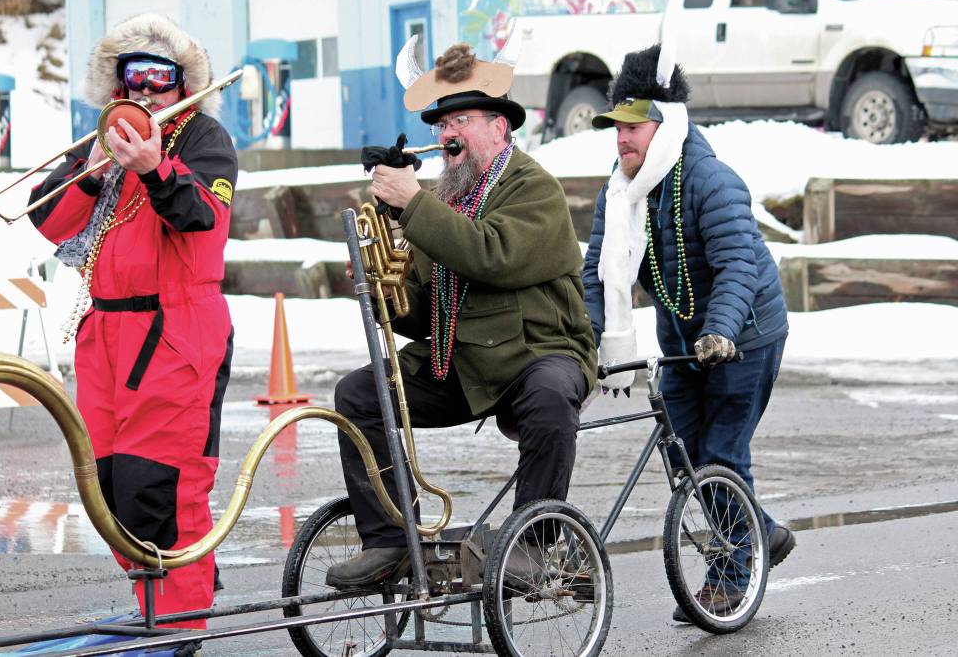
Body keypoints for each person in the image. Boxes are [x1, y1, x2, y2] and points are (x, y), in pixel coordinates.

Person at [325, 43, 597, 589]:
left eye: (462, 120)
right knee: (359, 395)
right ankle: (388, 539)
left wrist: (414, 204)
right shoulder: (446, 201)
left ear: (499, 128)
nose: (448, 132)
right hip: (463, 358)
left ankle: (535, 546)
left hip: (538, 352)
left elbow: (489, 254)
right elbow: (423, 311)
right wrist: (380, 276)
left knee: (548, 396)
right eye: (443, 121)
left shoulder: (533, 187)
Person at [29, 14, 237, 630]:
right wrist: (91, 170)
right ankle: (171, 594)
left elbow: (202, 219)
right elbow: (47, 221)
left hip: (177, 329)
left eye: (160, 77)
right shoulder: (107, 138)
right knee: (110, 492)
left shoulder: (205, 137)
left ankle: (179, 621)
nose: (145, 90)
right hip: (106, 332)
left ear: (182, 83)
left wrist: (152, 167)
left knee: (162, 487)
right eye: (132, 76)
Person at [582, 44, 795, 620]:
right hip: (680, 340)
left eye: (633, 128)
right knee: (683, 456)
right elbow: (598, 273)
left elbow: (737, 267)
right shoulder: (620, 192)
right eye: (615, 129)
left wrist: (721, 331)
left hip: (744, 335)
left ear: (666, 125)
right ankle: (762, 532)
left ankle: (730, 577)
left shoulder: (709, 179)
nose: (621, 140)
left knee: (722, 453)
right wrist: (584, 342)